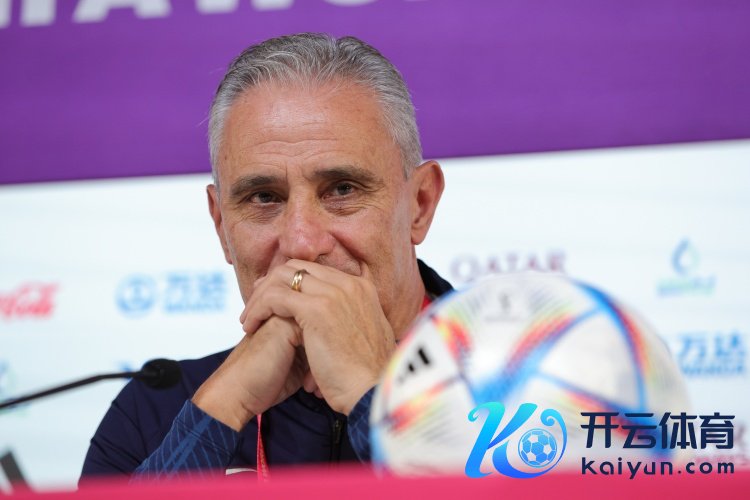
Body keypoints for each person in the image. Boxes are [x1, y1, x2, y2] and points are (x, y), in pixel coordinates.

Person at [80, 32, 451, 481]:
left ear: (420, 205)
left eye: (342, 190)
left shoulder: (522, 372)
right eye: (263, 197)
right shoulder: (154, 409)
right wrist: (221, 409)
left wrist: (373, 396)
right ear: (222, 227)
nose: (300, 242)